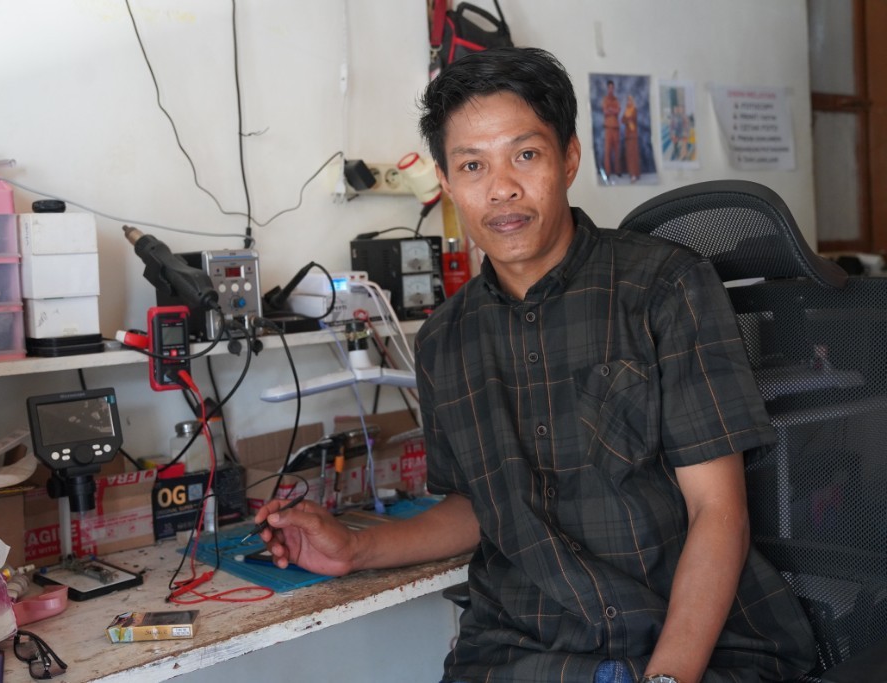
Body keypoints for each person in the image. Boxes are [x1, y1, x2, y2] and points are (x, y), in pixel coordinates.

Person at [254, 46, 815, 683]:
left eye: (525, 155)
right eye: (473, 165)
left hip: (688, 646)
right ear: (446, 182)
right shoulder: (444, 340)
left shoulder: (664, 288)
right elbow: (480, 507)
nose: (502, 189)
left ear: (568, 158)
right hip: (522, 651)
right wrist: (355, 547)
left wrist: (667, 678)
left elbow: (717, 509)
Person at [600, 79, 622, 180]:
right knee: (607, 151)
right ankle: (607, 172)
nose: (611, 89)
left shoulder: (616, 100)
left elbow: (618, 111)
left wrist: (610, 109)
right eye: (609, 88)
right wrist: (612, 110)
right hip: (608, 128)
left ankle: (618, 171)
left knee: (617, 151)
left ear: (614, 88)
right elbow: (605, 111)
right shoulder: (605, 99)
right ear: (607, 88)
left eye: (612, 88)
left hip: (616, 128)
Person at [622, 93, 641, 181]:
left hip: (633, 136)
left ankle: (635, 174)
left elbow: (632, 119)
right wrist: (627, 120)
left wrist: (627, 119)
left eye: (630, 100)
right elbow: (623, 120)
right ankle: (632, 173)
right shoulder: (626, 110)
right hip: (628, 136)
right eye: (628, 100)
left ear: (632, 101)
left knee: (634, 155)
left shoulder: (634, 110)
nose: (628, 102)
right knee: (629, 155)